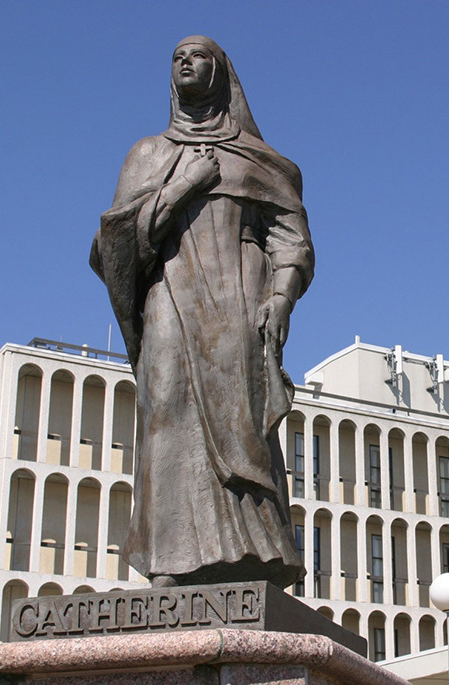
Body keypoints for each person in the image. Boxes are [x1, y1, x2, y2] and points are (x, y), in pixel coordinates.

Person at [89, 35, 313, 588]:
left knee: (243, 428)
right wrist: (186, 184)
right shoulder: (148, 155)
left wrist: (280, 298)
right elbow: (112, 246)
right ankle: (168, 560)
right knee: (166, 415)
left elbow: (292, 243)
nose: (185, 62)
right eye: (177, 57)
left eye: (199, 55)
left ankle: (253, 555)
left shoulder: (261, 162)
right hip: (169, 298)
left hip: (238, 307)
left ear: (221, 74)